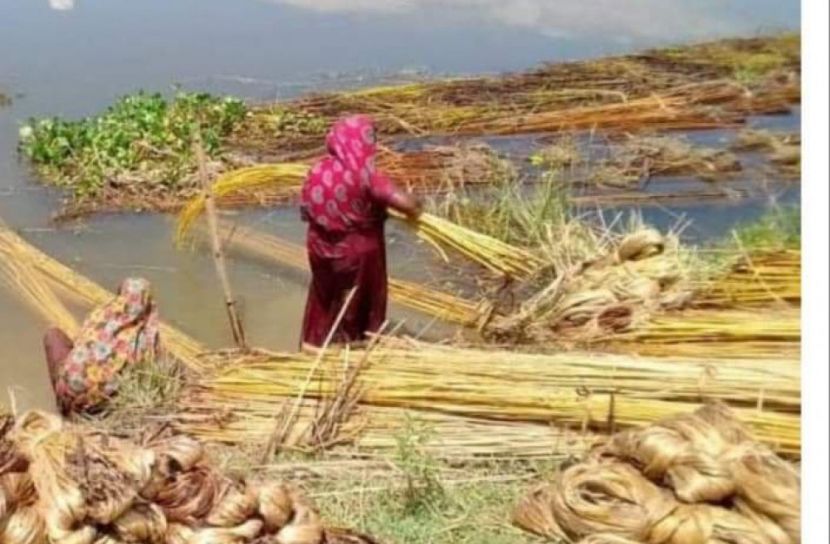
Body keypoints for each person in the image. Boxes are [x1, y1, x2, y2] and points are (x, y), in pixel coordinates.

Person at [300, 115, 421, 347]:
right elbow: (409, 206)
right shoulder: (368, 176)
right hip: (357, 253)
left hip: (319, 248)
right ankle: (354, 348)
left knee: (325, 299)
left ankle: (314, 345)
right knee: (358, 304)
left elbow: (307, 212)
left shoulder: (317, 171)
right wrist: (419, 204)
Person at [43, 277, 161, 415]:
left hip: (70, 392)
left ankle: (63, 404)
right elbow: (148, 373)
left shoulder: (101, 316)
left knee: (53, 335)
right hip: (100, 407)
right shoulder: (148, 337)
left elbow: (81, 342)